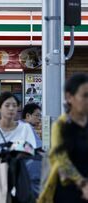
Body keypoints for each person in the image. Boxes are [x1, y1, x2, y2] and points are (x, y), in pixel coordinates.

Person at [38, 73, 88, 203]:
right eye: (85, 96)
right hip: (67, 192)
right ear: (69, 97)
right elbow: (61, 159)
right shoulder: (60, 125)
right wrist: (83, 184)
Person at [0, 91, 37, 164]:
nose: (11, 108)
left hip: (20, 171)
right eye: (7, 105)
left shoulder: (25, 128)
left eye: (14, 105)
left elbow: (31, 152)